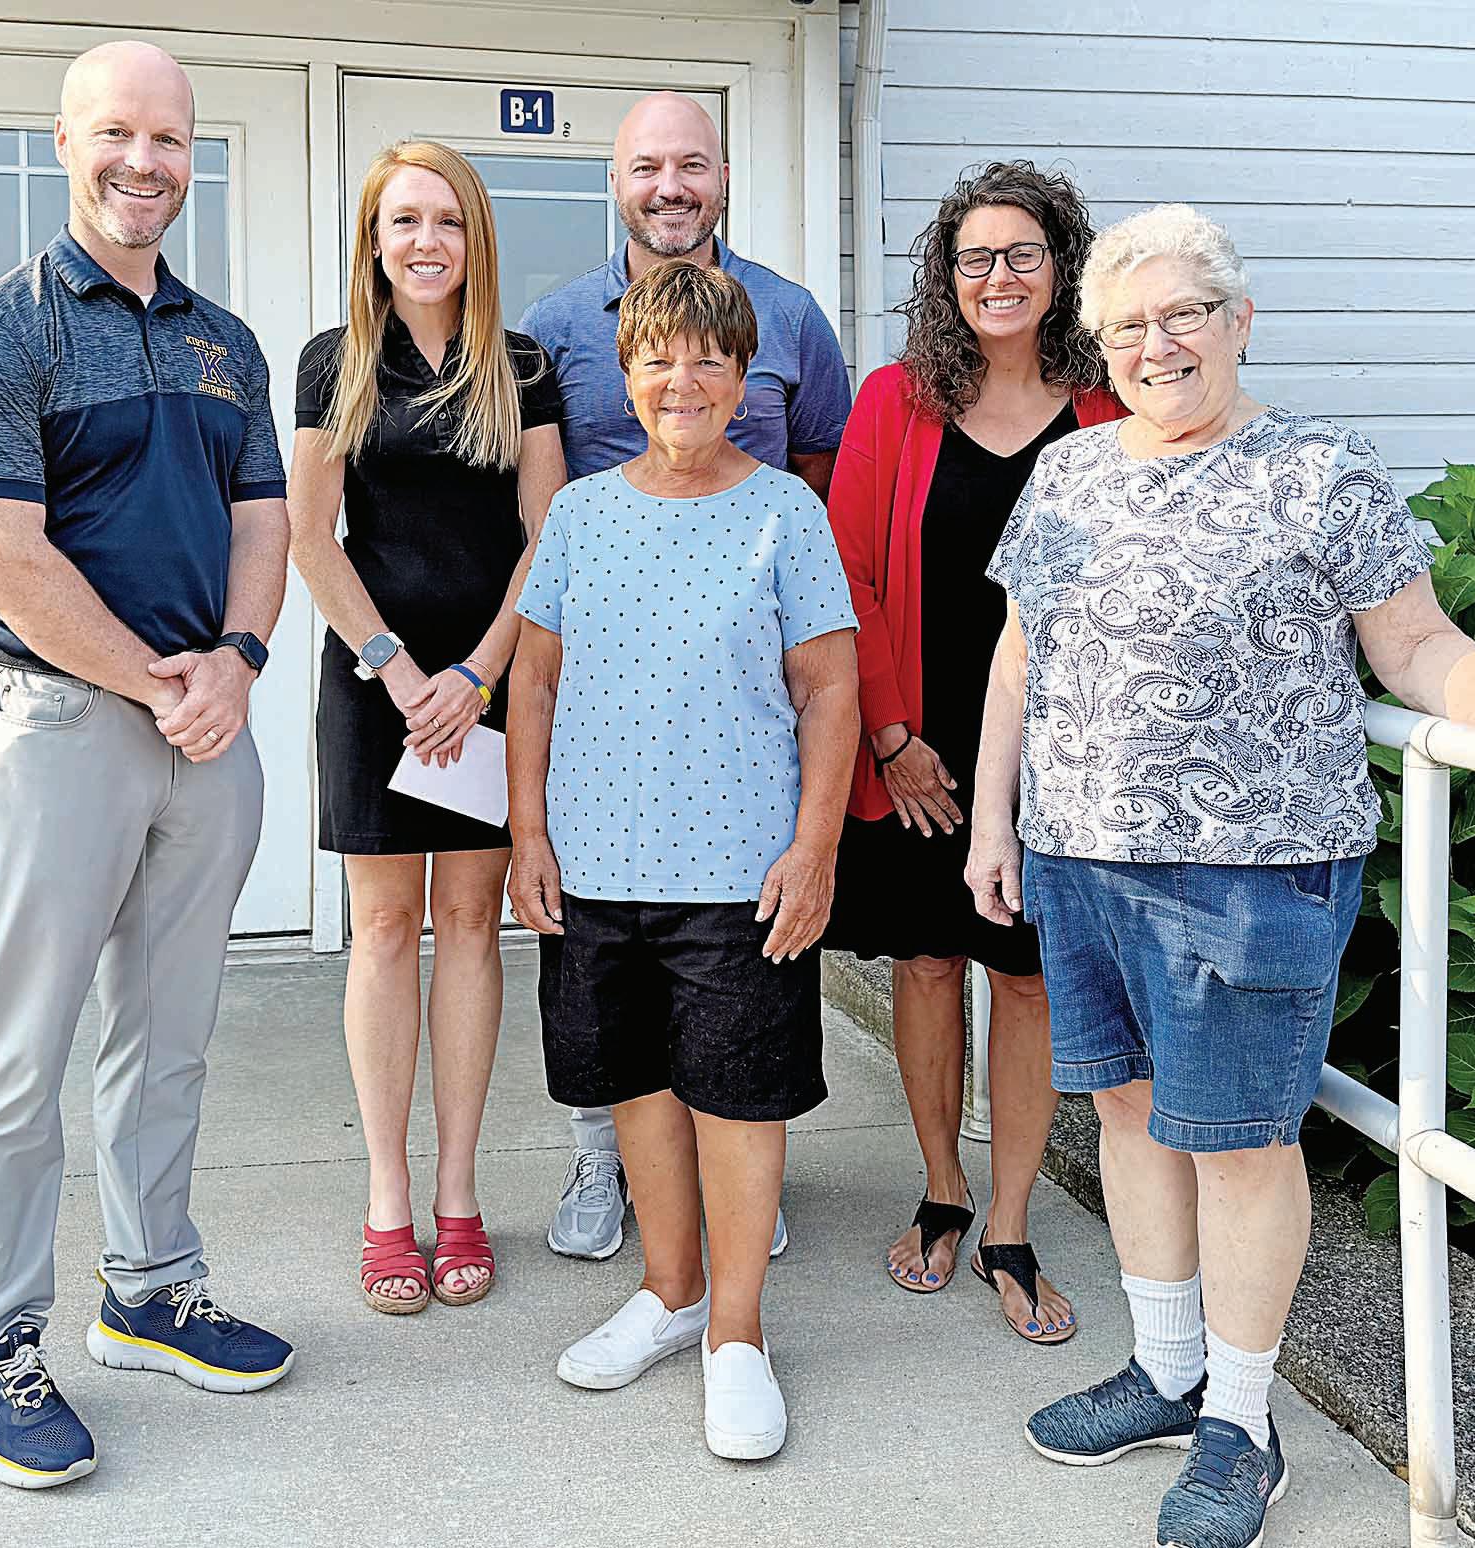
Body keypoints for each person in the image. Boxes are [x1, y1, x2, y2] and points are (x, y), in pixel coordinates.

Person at [970, 203, 1475, 1548]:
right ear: (1102, 348)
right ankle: (1166, 1371)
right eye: (1130, 326)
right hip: (1080, 857)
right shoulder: (1069, 474)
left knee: (1243, 1146)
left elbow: (1413, 646)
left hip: (1251, 875)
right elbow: (1022, 656)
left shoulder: (1320, 469)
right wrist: (993, 823)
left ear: (1240, 320)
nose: (1159, 344)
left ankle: (1240, 1425)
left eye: (1185, 313)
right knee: (1129, 1112)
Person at [0, 41, 295, 1490]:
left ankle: (150, 1291)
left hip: (209, 730)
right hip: (66, 728)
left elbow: (262, 521)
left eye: (170, 139)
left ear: (194, 154)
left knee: (169, 1030)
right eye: (118, 135)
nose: (146, 162)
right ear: (66, 141)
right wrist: (159, 679)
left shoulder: (227, 343)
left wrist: (240, 660)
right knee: (20, 1046)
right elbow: (1, 555)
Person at [507, 260, 858, 1460]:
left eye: (711, 359)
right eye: (660, 357)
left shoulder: (786, 512)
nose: (684, 379)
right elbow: (535, 682)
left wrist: (815, 847)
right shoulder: (579, 513)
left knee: (737, 1098)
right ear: (627, 375)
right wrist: (528, 832)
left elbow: (829, 690)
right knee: (638, 1088)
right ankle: (670, 1294)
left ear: (745, 378)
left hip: (739, 873)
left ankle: (738, 1336)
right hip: (598, 866)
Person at [519, 90, 852, 1261]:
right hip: (606, 722)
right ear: (616, 182)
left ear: (722, 178)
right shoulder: (555, 325)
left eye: (693, 164)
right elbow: (538, 509)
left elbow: (821, 474)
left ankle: (734, 1180)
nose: (671, 186)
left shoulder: (792, 319)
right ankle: (603, 1164)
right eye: (648, 166)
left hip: (735, 714)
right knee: (606, 1008)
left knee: (730, 1008)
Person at [824, 162, 1123, 1341]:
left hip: (1059, 753)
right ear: (946, 277)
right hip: (920, 749)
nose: (999, 277)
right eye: (975, 258)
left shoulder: (1109, 410)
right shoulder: (896, 400)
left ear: (1063, 270)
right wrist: (891, 736)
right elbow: (847, 573)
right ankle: (943, 1187)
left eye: (1022, 254)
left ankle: (1009, 1220)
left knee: (1028, 977)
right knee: (929, 964)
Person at [287, 141, 566, 1314]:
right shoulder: (335, 360)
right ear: (375, 238)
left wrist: (478, 675)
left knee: (469, 923)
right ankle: (389, 1201)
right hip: (377, 684)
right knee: (387, 929)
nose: (426, 241)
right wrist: (400, 671)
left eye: (446, 220)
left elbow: (548, 534)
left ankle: (459, 1196)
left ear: (475, 237)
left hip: (486, 683)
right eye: (403, 220)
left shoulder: (521, 364)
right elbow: (310, 539)